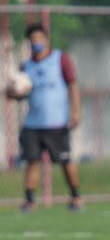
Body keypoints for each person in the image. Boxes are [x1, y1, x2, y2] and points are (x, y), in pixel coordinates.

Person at [6, 23, 83, 211]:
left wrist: (75, 111)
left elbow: (73, 85)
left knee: (65, 161)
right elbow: (17, 95)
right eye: (32, 39)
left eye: (39, 38)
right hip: (33, 123)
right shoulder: (26, 66)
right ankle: (30, 200)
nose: (36, 42)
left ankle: (76, 197)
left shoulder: (60, 59)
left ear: (46, 39)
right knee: (32, 161)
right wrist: (13, 91)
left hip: (56, 122)